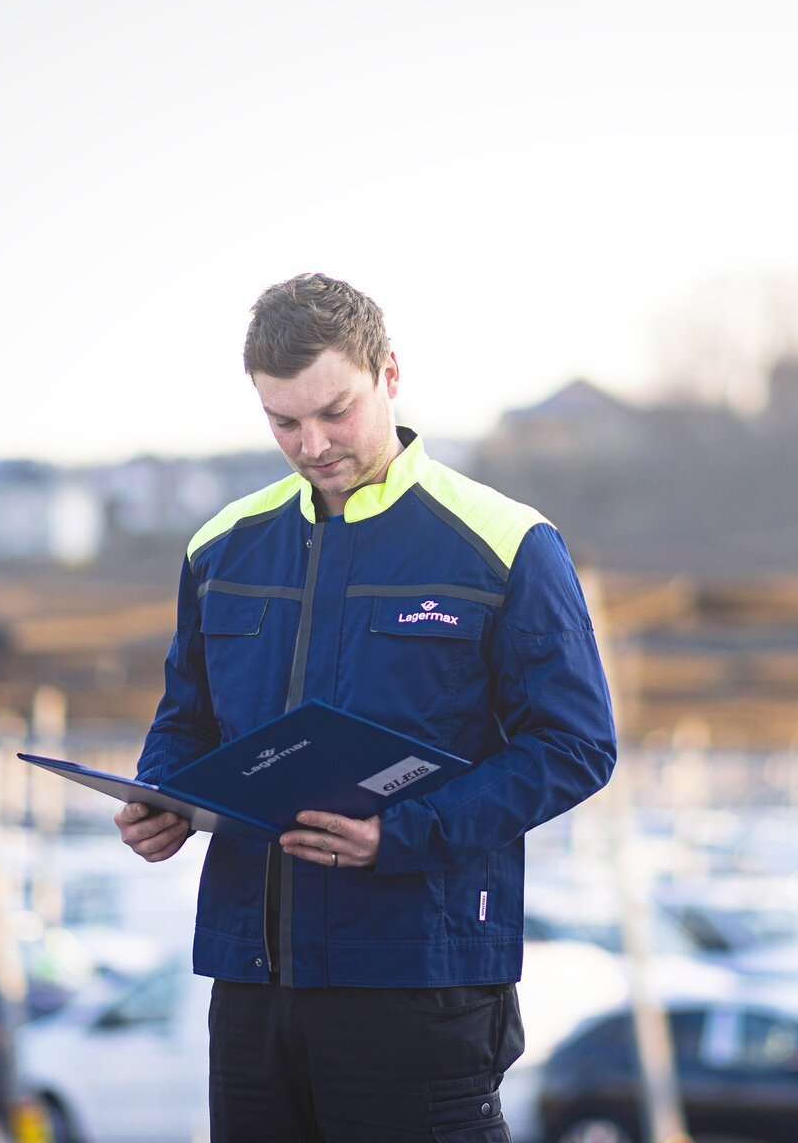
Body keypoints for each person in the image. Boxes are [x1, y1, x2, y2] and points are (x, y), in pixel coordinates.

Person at [114, 272, 617, 1141]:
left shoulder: (506, 545)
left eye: (334, 411)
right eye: (283, 421)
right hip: (251, 981)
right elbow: (188, 717)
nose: (312, 443)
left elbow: (574, 747)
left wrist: (402, 834)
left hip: (418, 978)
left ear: (389, 374)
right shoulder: (222, 548)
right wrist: (162, 794)